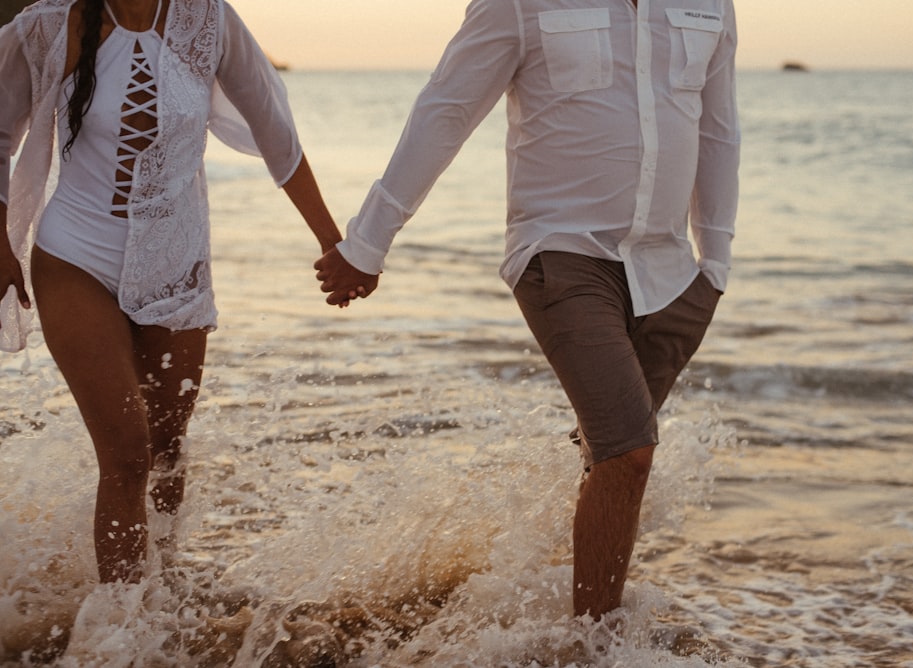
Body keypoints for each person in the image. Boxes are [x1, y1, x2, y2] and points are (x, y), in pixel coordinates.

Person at [315, 0, 740, 621]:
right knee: (630, 448)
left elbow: (718, 127)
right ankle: (591, 648)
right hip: (560, 253)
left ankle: (539, 602)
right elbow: (446, 111)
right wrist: (368, 244)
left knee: (605, 455)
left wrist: (716, 265)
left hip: (672, 274)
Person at [0, 0, 345, 583]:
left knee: (164, 450)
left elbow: (276, 133)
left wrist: (334, 242)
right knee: (128, 453)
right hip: (75, 257)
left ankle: (163, 597)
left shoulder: (207, 21)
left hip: (176, 262)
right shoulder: (53, 26)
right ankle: (118, 628)